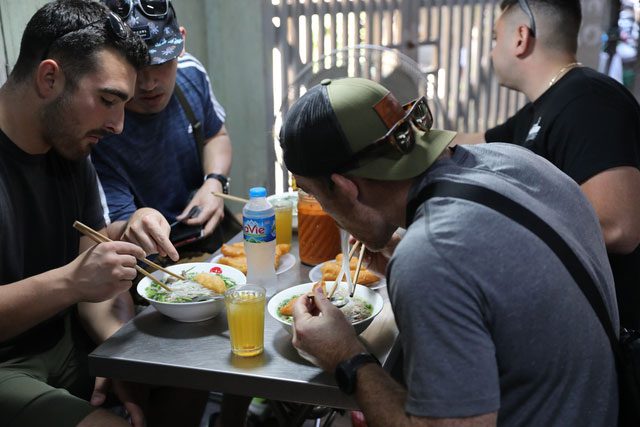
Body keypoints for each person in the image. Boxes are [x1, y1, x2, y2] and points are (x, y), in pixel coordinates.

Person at [280, 77, 619, 425]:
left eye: (313, 194)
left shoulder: (431, 256)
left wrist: (346, 356)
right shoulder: (515, 160)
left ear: (343, 187)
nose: (322, 209)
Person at [0, 1, 206, 426]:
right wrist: (73, 280)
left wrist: (121, 355)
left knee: (193, 369)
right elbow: (79, 278)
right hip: (8, 363)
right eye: (108, 100)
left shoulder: (69, 145)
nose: (118, 125)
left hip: (68, 341)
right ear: (50, 77)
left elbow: (93, 272)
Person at [456, 0, 640, 329]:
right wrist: (408, 131)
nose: (492, 52)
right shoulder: (543, 107)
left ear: (520, 38)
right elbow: (477, 143)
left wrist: (493, 235)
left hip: (616, 332)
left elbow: (618, 229)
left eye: (495, 38)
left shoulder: (589, 100)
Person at [92, 0, 233, 255]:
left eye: (160, 63)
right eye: (134, 68)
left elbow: (216, 136)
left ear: (181, 43)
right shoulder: (101, 127)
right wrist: (135, 226)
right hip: (149, 262)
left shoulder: (192, 73)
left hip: (207, 237)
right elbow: (113, 229)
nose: (148, 83)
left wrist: (215, 182)